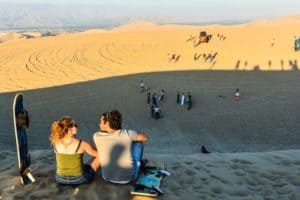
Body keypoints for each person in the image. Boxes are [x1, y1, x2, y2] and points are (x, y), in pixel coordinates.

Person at [93, 110, 148, 184]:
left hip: (106, 178)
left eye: (101, 122)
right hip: (128, 178)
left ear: (108, 123)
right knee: (138, 143)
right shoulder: (127, 133)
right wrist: (134, 134)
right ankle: (138, 164)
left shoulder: (96, 136)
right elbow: (145, 138)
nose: (100, 124)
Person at [49, 116, 100, 185]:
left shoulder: (56, 142)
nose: (77, 127)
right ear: (69, 129)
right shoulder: (82, 143)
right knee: (99, 158)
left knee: (84, 165)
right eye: (75, 125)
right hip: (78, 179)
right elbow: (99, 155)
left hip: (60, 179)